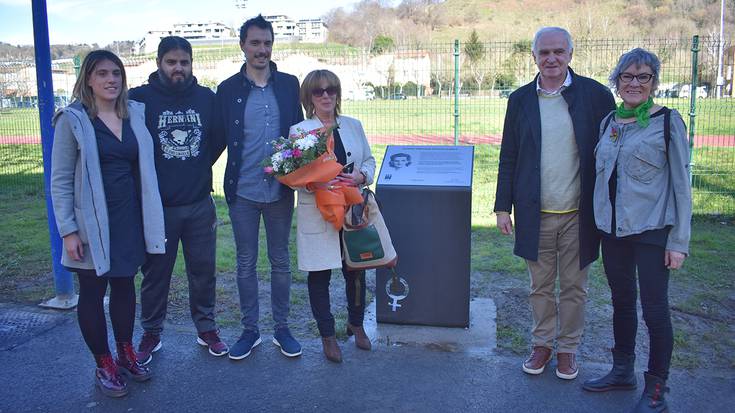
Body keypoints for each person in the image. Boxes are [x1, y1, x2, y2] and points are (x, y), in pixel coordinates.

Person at [494, 27, 615, 380]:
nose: (551, 58)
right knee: (540, 287)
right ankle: (542, 344)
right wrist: (503, 207)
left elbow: (611, 152)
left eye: (558, 52)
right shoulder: (520, 100)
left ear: (570, 55)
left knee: (575, 288)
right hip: (536, 213)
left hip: (580, 215)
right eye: (544, 52)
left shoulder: (595, 95)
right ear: (534, 57)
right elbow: (508, 156)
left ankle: (568, 350)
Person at [50, 50, 165, 397]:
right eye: (102, 73)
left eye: (116, 73)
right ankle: (104, 362)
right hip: (91, 223)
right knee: (93, 291)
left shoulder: (134, 115)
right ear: (88, 79)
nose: (111, 79)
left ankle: (126, 352)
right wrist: (68, 230)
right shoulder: (72, 120)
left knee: (125, 286)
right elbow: (60, 179)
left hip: (129, 218)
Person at [583, 48, 691, 413]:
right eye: (627, 77)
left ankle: (657, 389)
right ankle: (622, 371)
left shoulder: (667, 122)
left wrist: (678, 241)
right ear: (617, 81)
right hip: (613, 231)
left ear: (653, 83)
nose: (634, 83)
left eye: (643, 77)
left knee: (655, 310)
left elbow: (681, 186)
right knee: (621, 302)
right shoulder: (609, 123)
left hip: (652, 230)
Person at [129, 36, 227, 364]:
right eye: (171, 62)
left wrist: (195, 166)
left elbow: (216, 141)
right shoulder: (139, 100)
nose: (178, 68)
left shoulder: (206, 99)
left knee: (203, 272)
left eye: (184, 62)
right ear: (159, 63)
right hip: (158, 207)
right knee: (156, 274)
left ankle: (206, 328)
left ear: (191, 64)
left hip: (199, 204)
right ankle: (152, 332)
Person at [215, 14, 304, 360]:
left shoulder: (288, 84)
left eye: (267, 42)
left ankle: (281, 329)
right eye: (255, 43)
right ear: (243, 46)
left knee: (281, 260)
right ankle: (250, 331)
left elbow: (300, 134)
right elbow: (217, 139)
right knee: (245, 263)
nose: (261, 49)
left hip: (281, 191)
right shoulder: (228, 90)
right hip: (243, 192)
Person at [289, 69, 376, 363]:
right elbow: (295, 174)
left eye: (331, 89)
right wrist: (315, 182)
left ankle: (357, 324)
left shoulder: (353, 125)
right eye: (318, 91)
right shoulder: (300, 131)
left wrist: (361, 175)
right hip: (318, 212)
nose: (326, 95)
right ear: (309, 97)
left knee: (356, 269)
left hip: (351, 208)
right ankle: (327, 335)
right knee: (320, 273)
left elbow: (369, 159)